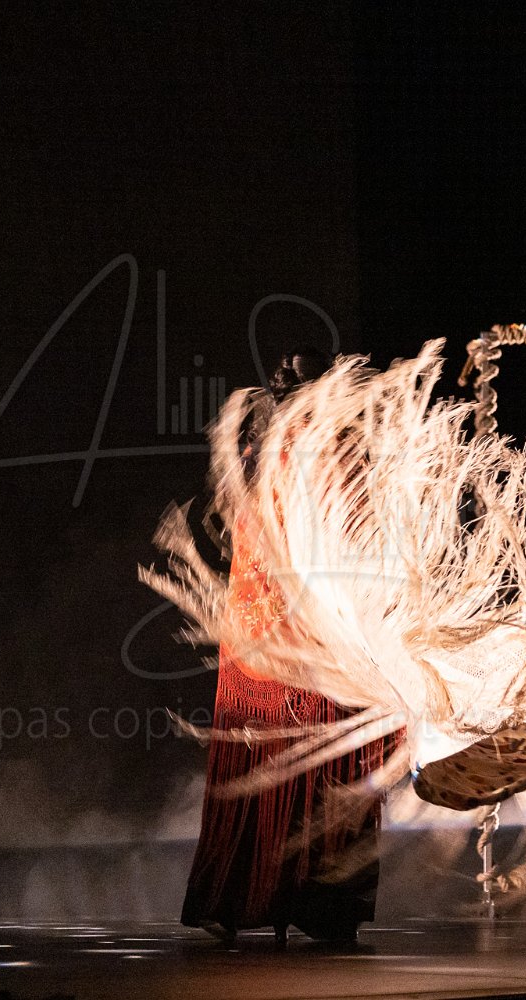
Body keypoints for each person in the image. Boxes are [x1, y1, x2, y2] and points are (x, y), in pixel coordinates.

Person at [180, 346, 390, 946]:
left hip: (270, 643)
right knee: (315, 757)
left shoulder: (263, 452)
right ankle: (316, 903)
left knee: (278, 762)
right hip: (304, 642)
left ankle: (251, 897)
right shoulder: (324, 449)